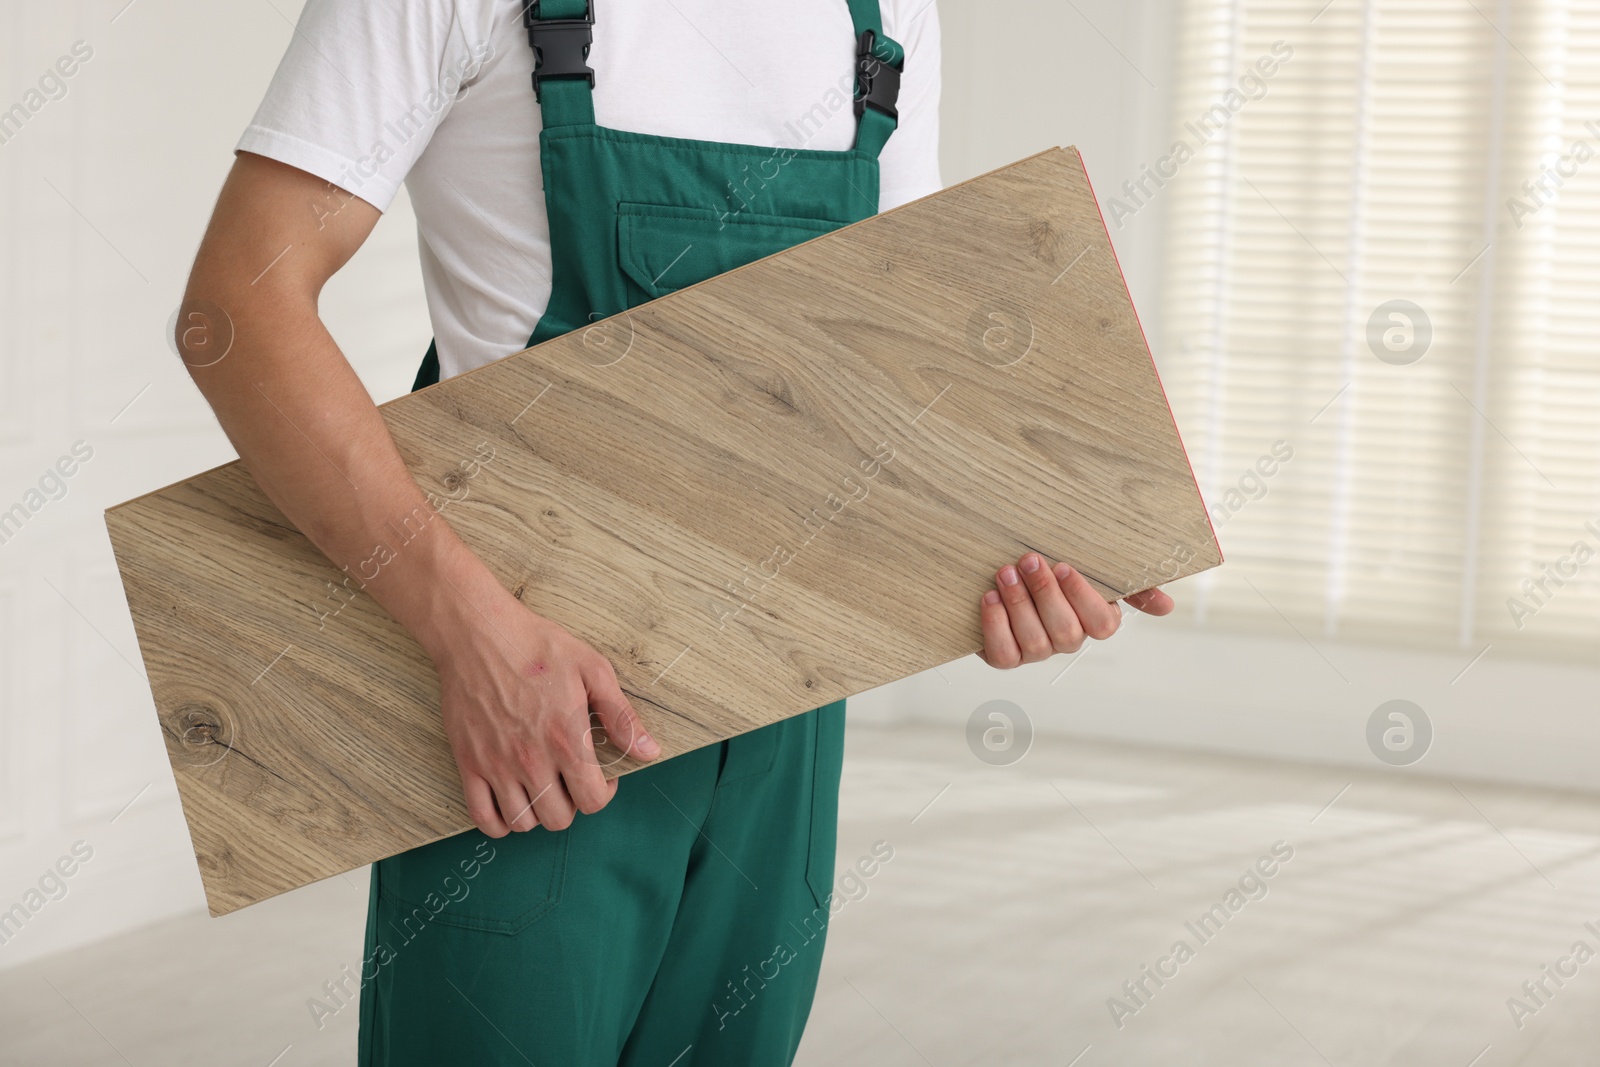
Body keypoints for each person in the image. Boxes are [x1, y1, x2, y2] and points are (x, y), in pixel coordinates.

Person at [177, 1, 1174, 1062]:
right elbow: (238, 313)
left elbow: (893, 368)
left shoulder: (879, 17)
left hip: (785, 724)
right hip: (524, 720)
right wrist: (472, 638)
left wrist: (1030, 550)